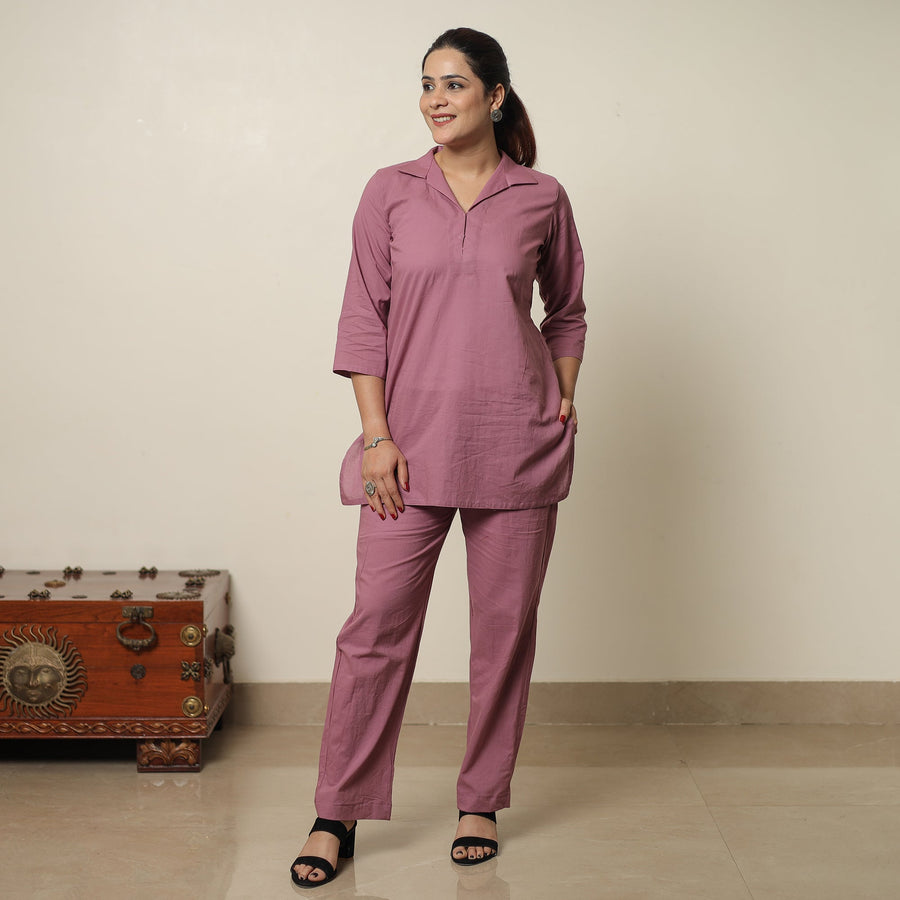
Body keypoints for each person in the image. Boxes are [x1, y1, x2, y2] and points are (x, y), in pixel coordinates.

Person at [290, 26, 587, 889]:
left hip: (515, 444)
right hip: (407, 450)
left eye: (453, 83)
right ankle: (336, 812)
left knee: (503, 638)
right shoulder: (390, 191)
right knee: (374, 632)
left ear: (495, 96)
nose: (435, 99)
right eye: (426, 84)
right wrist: (376, 437)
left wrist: (563, 393)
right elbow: (363, 318)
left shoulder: (541, 196)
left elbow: (567, 309)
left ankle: (480, 801)